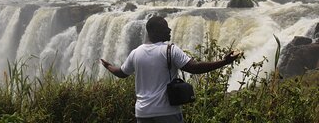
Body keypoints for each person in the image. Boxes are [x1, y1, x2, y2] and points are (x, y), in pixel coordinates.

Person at [100, 15, 239, 123]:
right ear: (153, 32)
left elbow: (121, 73)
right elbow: (194, 68)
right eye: (164, 28)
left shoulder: (136, 53)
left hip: (143, 113)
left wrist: (108, 66)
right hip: (167, 112)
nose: (169, 30)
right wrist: (224, 62)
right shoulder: (170, 50)